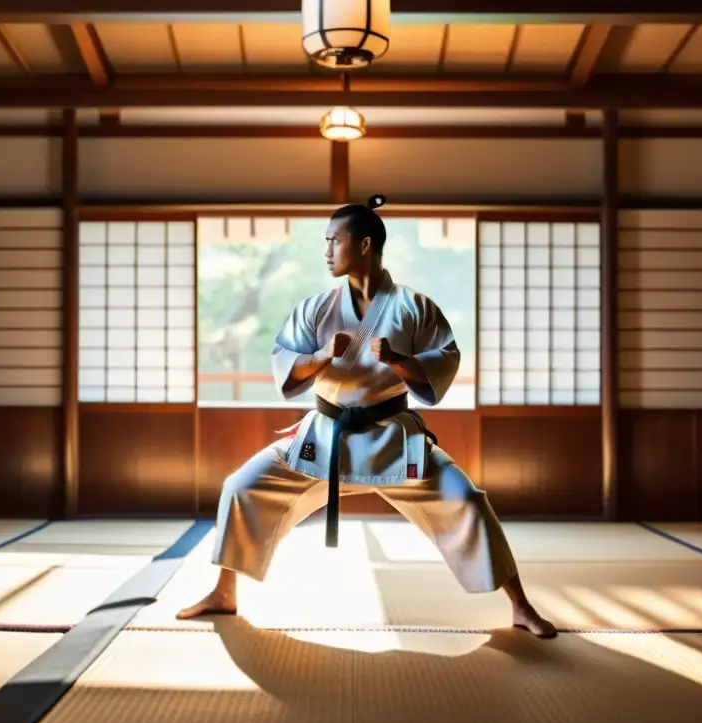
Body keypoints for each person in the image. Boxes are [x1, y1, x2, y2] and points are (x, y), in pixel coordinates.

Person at [177, 195, 556, 638]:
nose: (326, 251)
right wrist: (321, 355)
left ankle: (520, 605)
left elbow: (442, 365)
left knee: (468, 500)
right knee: (241, 486)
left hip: (393, 438)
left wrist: (399, 360)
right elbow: (285, 367)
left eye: (334, 240)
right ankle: (225, 592)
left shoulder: (414, 307)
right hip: (325, 435)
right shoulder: (316, 307)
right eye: (324, 241)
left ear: (364, 245)